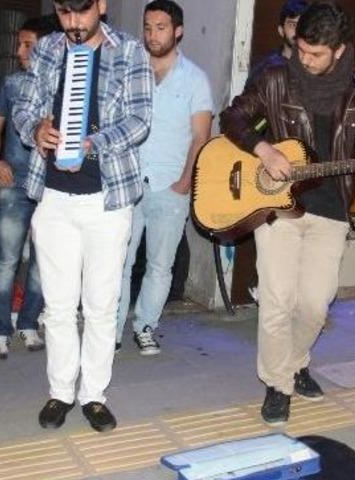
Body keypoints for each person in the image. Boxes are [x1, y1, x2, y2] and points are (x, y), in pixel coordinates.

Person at [219, 1, 355, 426]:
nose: (305, 59)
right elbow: (233, 118)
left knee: (315, 306)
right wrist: (263, 149)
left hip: (331, 209)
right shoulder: (276, 78)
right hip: (277, 208)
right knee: (277, 301)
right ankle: (277, 384)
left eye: (315, 54)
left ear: (339, 51)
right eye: (301, 49)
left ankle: (296, 361)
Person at [13, 0, 152, 433]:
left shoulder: (130, 51)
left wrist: (92, 143)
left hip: (107, 201)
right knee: (56, 306)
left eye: (82, 13)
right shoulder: (47, 49)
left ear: (102, 6)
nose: (73, 24)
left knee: (100, 306)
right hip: (53, 198)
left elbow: (140, 120)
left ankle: (94, 395)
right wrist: (34, 129)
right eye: (65, 13)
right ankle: (60, 392)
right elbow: (23, 106)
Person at [115, 0, 212, 355]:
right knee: (118, 262)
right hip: (127, 183)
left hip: (170, 186)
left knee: (159, 265)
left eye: (160, 27)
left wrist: (185, 181)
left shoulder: (194, 79)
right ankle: (110, 331)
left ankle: (144, 326)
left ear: (178, 31)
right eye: (148, 27)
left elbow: (201, 136)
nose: (153, 35)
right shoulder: (131, 71)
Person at [0, 17, 57, 360]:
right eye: (19, 43)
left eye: (27, 44)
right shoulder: (12, 84)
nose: (19, 51)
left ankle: (29, 323)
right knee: (6, 261)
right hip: (14, 185)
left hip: (51, 187)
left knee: (44, 263)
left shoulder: (63, 87)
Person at [247, 0, 310, 87]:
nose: (298, 31)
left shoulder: (316, 66)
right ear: (281, 31)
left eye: (303, 25)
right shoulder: (265, 67)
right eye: (293, 25)